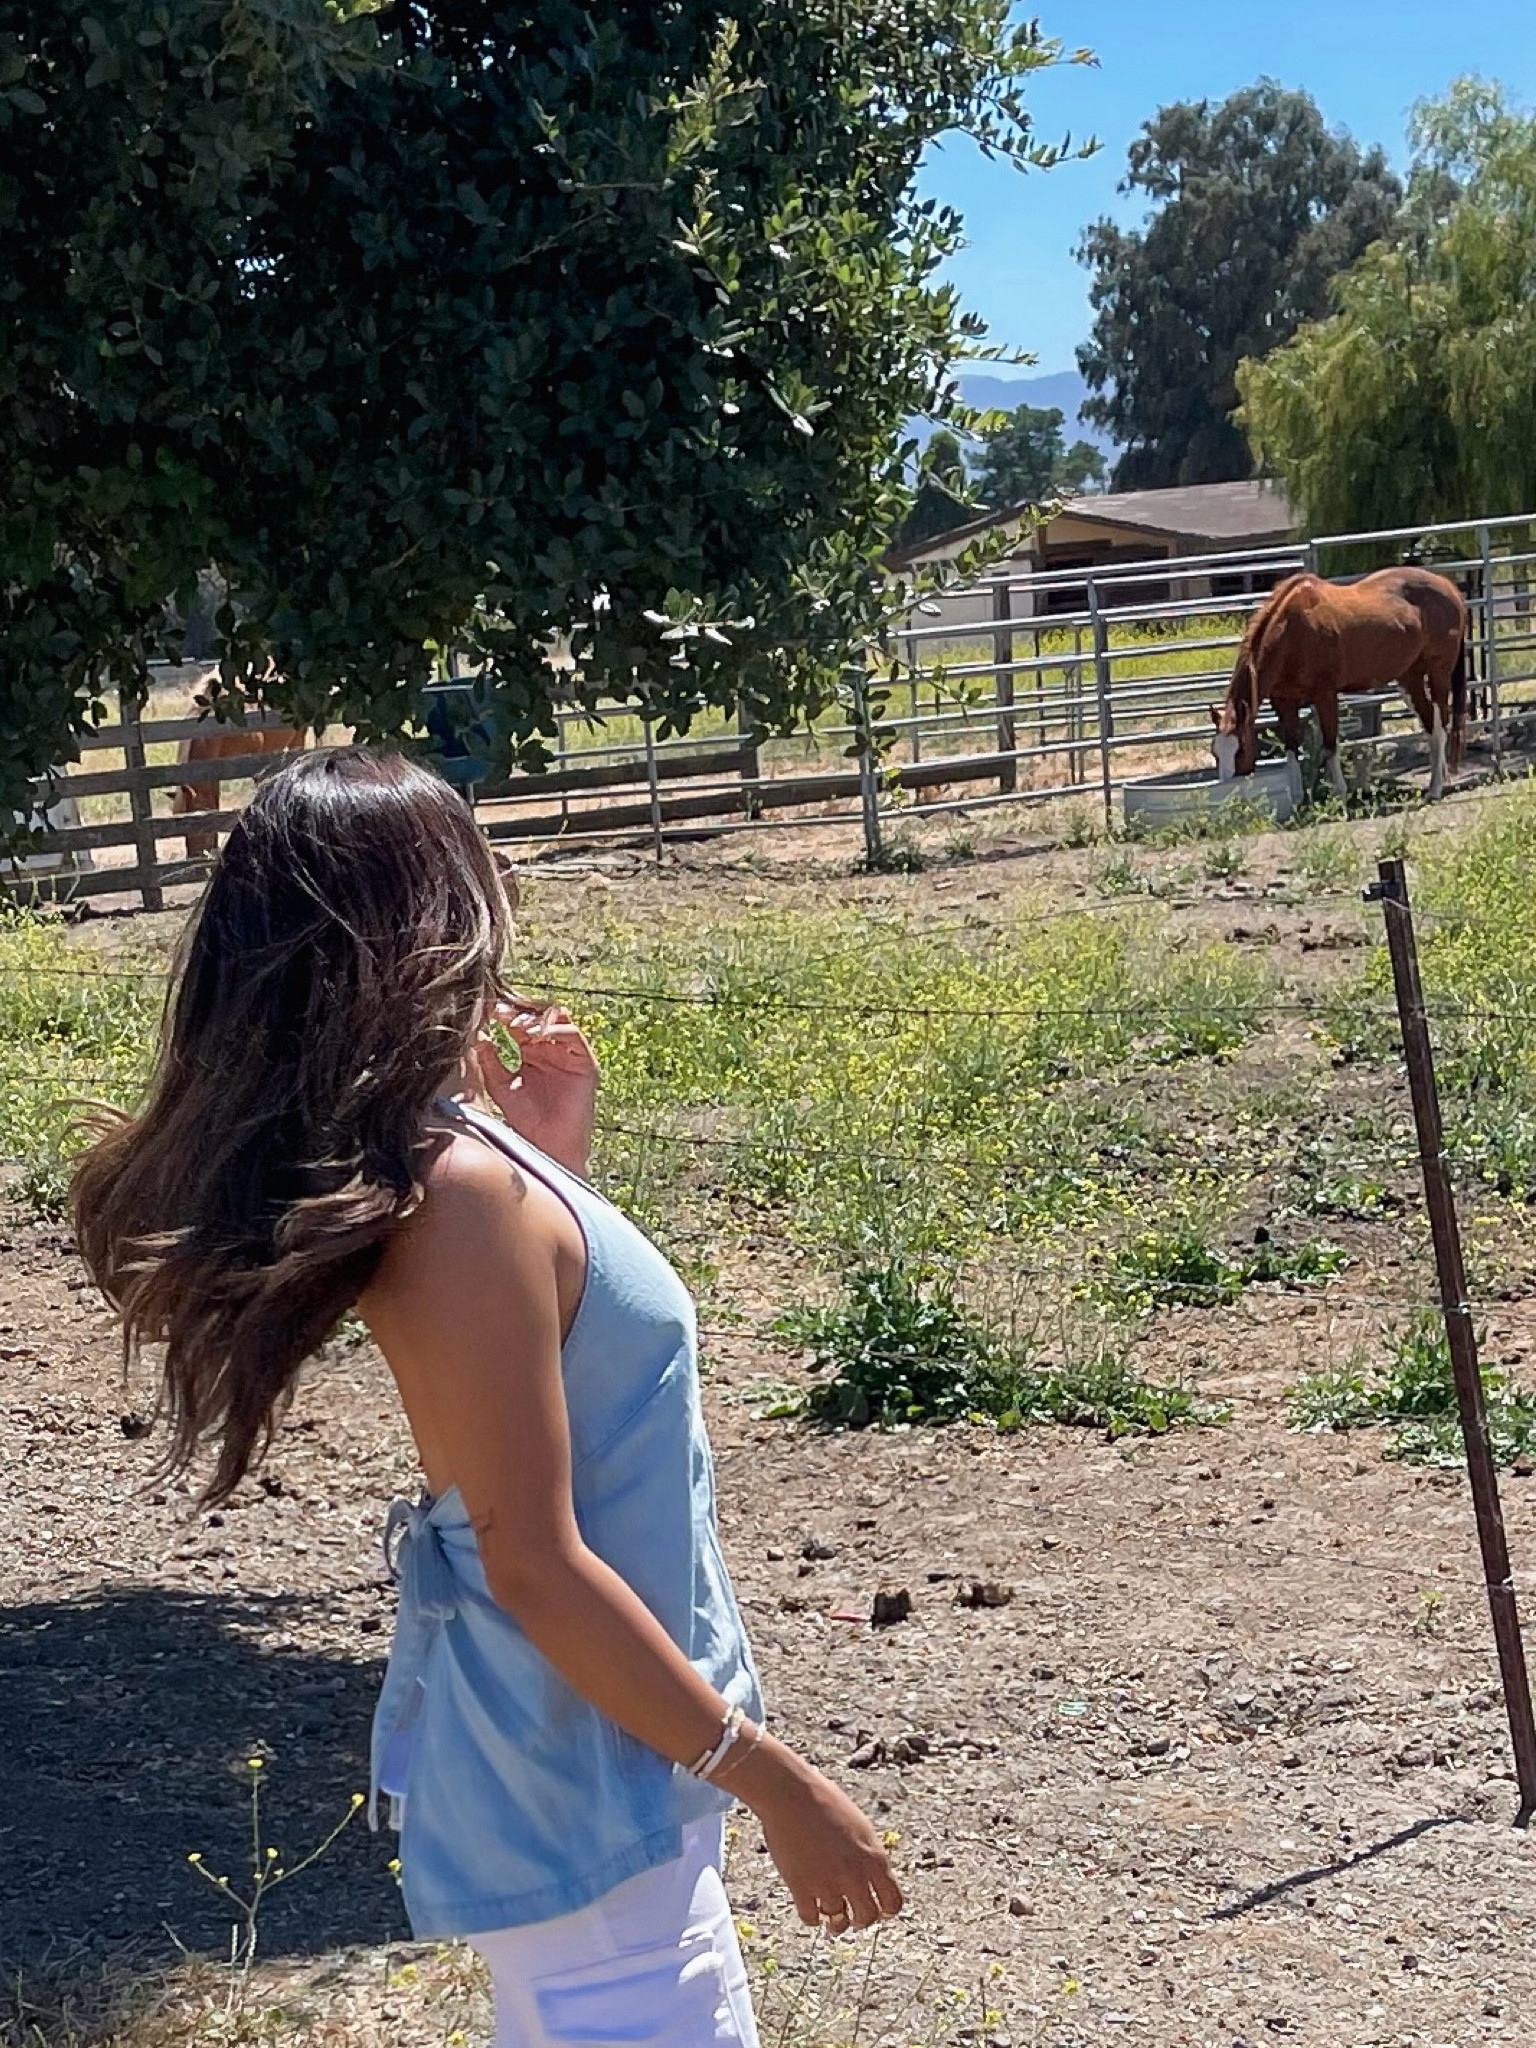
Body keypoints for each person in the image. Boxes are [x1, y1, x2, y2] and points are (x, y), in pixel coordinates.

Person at [70, 747, 902, 2047]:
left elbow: (556, 1372)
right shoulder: (458, 1200)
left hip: (603, 1761)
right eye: (475, 870)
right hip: (587, 1775)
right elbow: (533, 1563)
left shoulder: (474, 1177)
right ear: (420, 920)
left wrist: (558, 1165)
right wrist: (772, 1782)